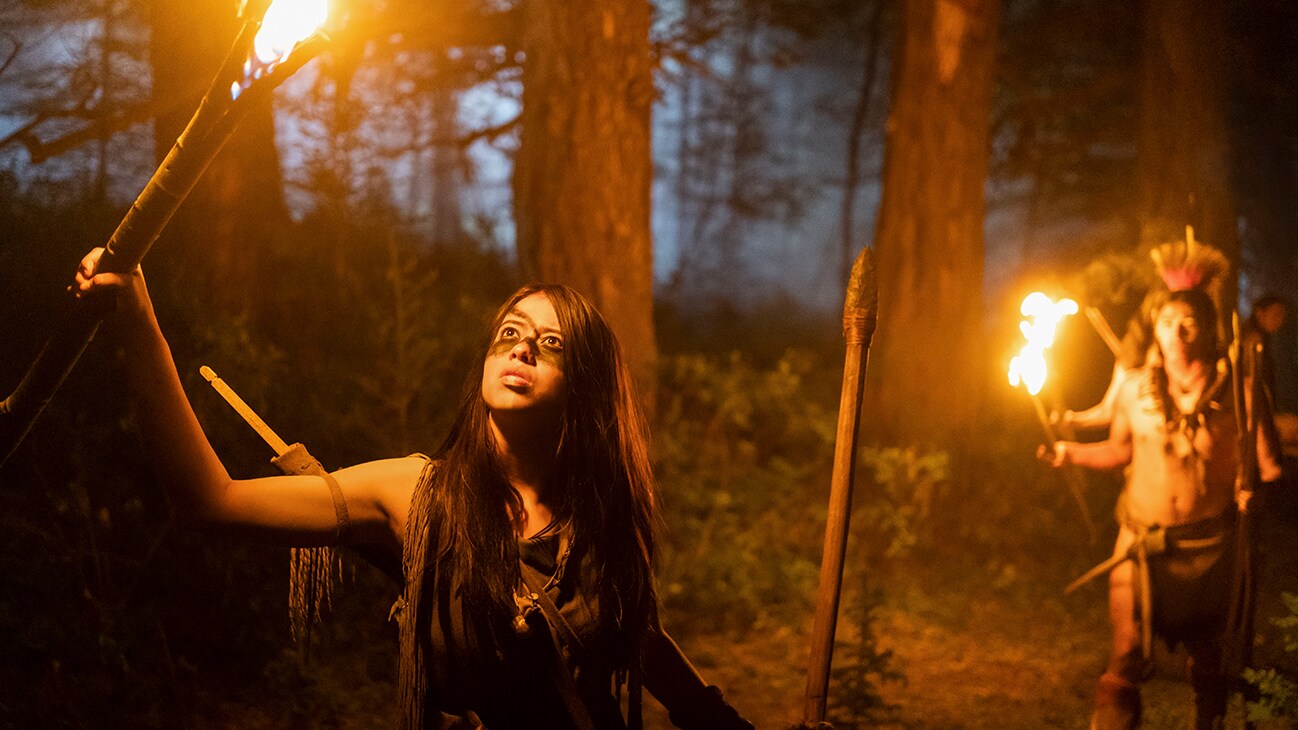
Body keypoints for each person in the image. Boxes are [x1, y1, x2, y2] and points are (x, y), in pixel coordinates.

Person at [73, 247, 753, 730]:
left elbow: (641, 636)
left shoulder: (597, 521)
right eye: (509, 334)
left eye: (550, 345)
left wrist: (715, 719)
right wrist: (138, 322)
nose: (520, 349)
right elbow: (209, 501)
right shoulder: (415, 494)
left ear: (587, 389)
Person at [1040, 283, 1281, 729]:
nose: (1178, 333)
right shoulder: (1133, 390)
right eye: (1168, 323)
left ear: (1210, 331)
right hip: (1142, 545)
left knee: (1211, 659)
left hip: (1212, 550)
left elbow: (1268, 469)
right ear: (1156, 330)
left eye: (1189, 323)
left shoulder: (1242, 394)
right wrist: (1070, 452)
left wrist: (1252, 492)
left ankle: (1207, 720)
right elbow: (1118, 451)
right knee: (1126, 651)